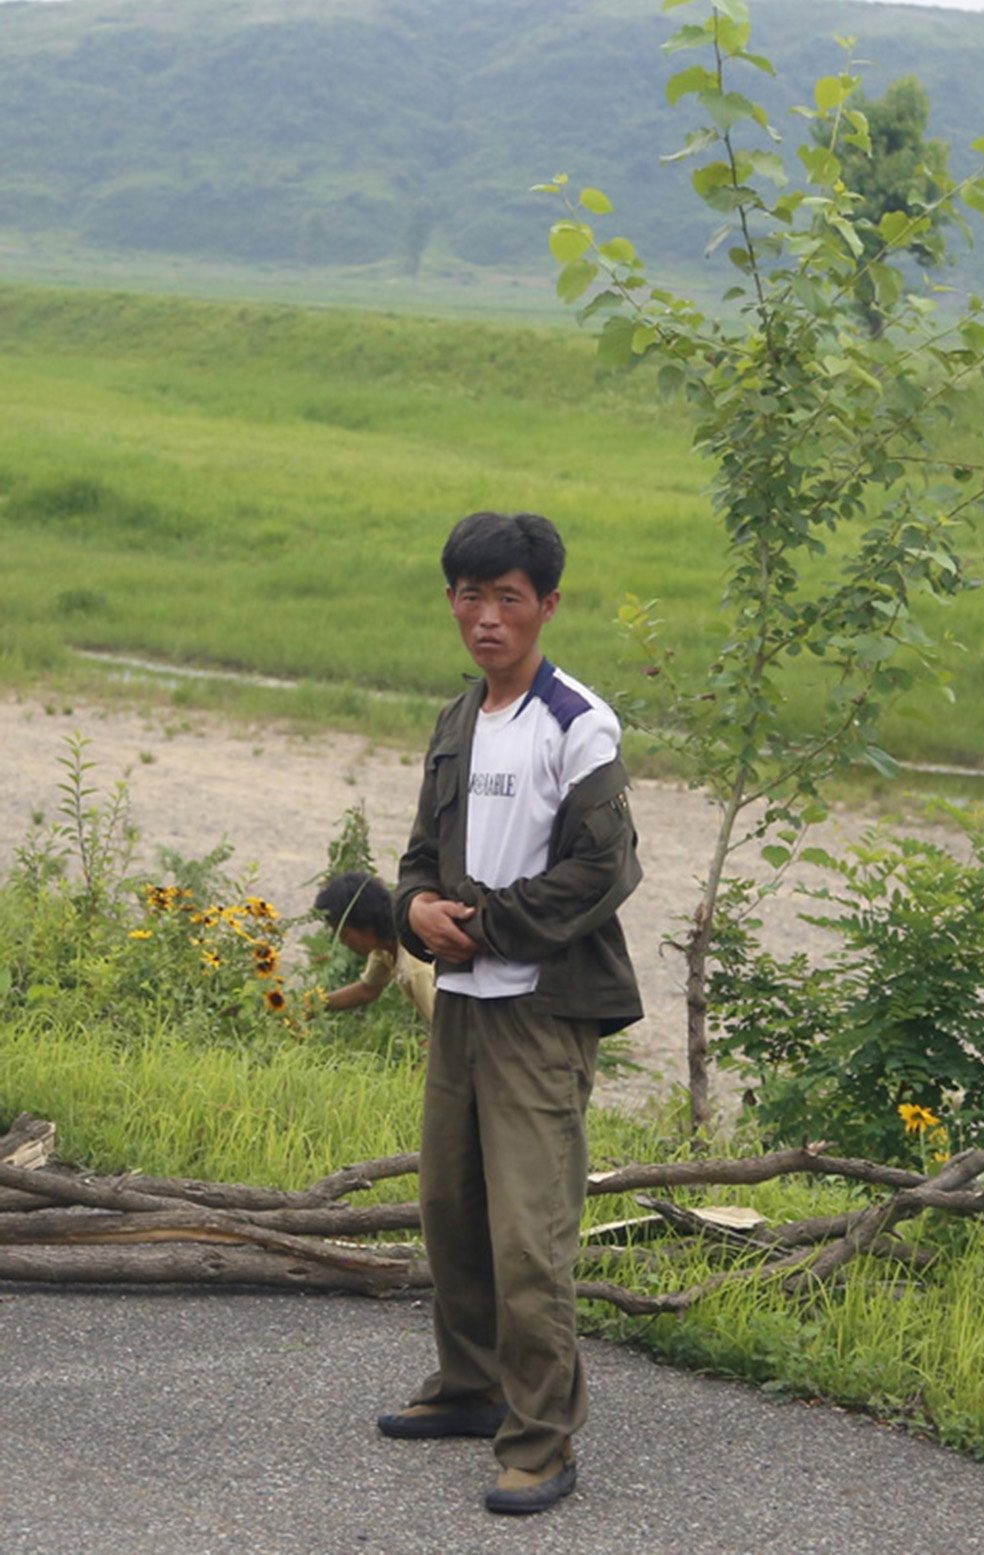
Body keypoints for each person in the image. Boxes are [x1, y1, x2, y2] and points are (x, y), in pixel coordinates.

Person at [380, 511, 644, 1518]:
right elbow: (418, 856)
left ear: (546, 605)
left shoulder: (578, 723)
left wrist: (483, 927)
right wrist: (413, 910)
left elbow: (606, 869)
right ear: (451, 600)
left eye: (507, 598)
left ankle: (540, 1439)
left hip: (541, 1009)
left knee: (530, 1234)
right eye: (468, 596)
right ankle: (470, 1384)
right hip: (462, 1007)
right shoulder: (457, 722)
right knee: (451, 1210)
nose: (485, 618)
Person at [310, 871, 436, 1023]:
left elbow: (446, 1030)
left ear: (365, 926)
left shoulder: (416, 967)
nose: (342, 942)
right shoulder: (384, 948)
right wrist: (312, 1005)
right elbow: (368, 989)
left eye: (344, 934)